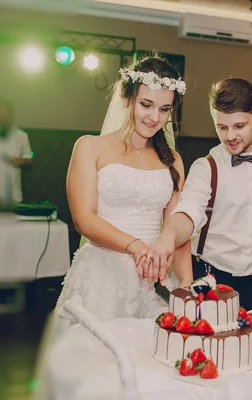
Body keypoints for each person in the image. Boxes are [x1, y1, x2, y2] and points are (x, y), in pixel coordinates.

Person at [138, 78, 252, 310]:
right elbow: (189, 212)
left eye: (239, 126)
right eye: (222, 127)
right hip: (209, 281)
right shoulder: (206, 167)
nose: (230, 136)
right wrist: (169, 236)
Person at [56, 55, 192, 321]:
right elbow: (84, 219)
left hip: (155, 278)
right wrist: (136, 246)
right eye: (146, 104)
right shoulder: (90, 147)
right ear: (127, 98)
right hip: (102, 277)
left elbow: (178, 229)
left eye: (165, 109)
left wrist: (186, 284)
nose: (155, 117)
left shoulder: (173, 160)